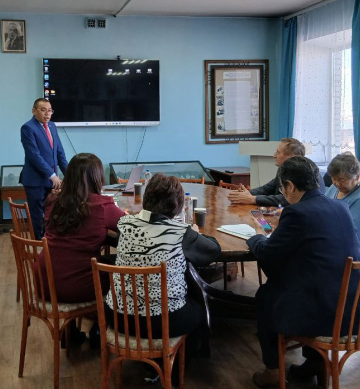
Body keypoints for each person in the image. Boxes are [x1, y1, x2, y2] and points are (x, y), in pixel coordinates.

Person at [246, 156, 360, 387]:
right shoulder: (341, 206)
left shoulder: (297, 213)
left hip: (325, 313)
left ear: (290, 186)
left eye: (282, 188)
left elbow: (268, 256)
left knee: (266, 295)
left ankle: (272, 371)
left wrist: (256, 237)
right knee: (310, 284)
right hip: (355, 308)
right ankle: (315, 362)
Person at [109, 173, 221, 350]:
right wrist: (196, 233)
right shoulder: (180, 232)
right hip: (165, 321)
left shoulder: (124, 224)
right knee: (200, 305)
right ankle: (185, 358)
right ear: (177, 205)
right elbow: (214, 250)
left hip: (119, 318)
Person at [35, 153, 125, 303]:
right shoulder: (103, 206)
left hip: (44, 283)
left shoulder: (55, 201)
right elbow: (131, 226)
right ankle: (105, 316)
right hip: (76, 286)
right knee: (125, 272)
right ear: (97, 178)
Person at [20, 98, 68, 239]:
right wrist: (52, 176)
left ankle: (50, 245)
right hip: (35, 181)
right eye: (43, 110)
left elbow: (60, 153)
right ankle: (39, 246)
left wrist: (70, 175)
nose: (47, 114)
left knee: (52, 215)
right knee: (37, 217)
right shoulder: (28, 128)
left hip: (52, 181)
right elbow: (34, 155)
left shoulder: (52, 126)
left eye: (50, 110)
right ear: (34, 111)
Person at [228, 138, 324, 207]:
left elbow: (287, 199)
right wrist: (245, 194)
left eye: (278, 152)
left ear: (291, 157)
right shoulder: (283, 170)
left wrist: (253, 199)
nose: (274, 155)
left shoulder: (309, 174)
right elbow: (267, 189)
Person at [326, 152, 360, 252]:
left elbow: (352, 238)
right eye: (334, 179)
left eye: (342, 180)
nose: (337, 183)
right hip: (335, 238)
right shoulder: (337, 187)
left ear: (357, 177)